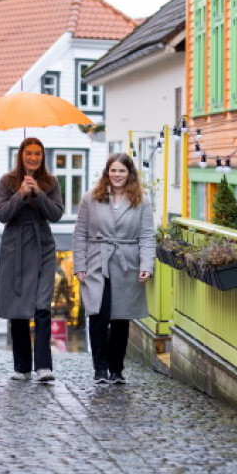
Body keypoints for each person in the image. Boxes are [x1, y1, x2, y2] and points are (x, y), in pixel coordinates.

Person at [73, 153, 155, 385]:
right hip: (96, 261)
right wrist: (79, 265)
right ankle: (99, 369)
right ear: (107, 172)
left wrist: (146, 265)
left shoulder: (141, 202)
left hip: (126, 263)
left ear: (129, 174)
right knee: (97, 315)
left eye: (122, 171)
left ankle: (117, 369)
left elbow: (147, 236)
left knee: (121, 319)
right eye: (113, 170)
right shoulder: (91, 198)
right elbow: (80, 233)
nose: (117, 175)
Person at [0, 137, 64, 383]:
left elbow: (56, 214)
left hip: (42, 242)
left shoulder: (51, 181)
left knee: (42, 305)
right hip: (16, 245)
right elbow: (2, 215)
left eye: (37, 154)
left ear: (42, 156)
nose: (33, 158)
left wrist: (38, 193)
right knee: (19, 306)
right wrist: (21, 194)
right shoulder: (7, 181)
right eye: (29, 153)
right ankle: (22, 366)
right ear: (21, 156)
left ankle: (44, 365)